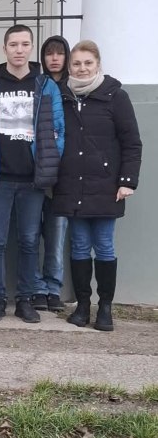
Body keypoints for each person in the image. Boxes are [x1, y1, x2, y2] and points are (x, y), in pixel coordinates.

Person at [0, 24, 64, 325]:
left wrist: (48, 164)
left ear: (31, 47)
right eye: (13, 44)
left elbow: (58, 130)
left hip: (32, 180)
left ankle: (25, 300)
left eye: (25, 44)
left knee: (29, 241)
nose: (19, 50)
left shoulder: (45, 86)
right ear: (4, 49)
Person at [52, 40, 141, 331]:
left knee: (103, 246)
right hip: (72, 185)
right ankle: (82, 306)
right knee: (79, 245)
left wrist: (127, 181)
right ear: (70, 67)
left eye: (88, 63)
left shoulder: (116, 96)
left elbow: (131, 143)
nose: (82, 68)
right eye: (77, 63)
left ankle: (105, 308)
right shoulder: (62, 96)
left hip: (106, 187)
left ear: (98, 64)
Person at [33, 35, 71, 311]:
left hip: (65, 174)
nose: (54, 58)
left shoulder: (73, 89)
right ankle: (36, 288)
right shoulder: (37, 86)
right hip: (36, 170)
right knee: (31, 235)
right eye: (49, 53)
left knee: (56, 236)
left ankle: (53, 287)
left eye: (59, 53)